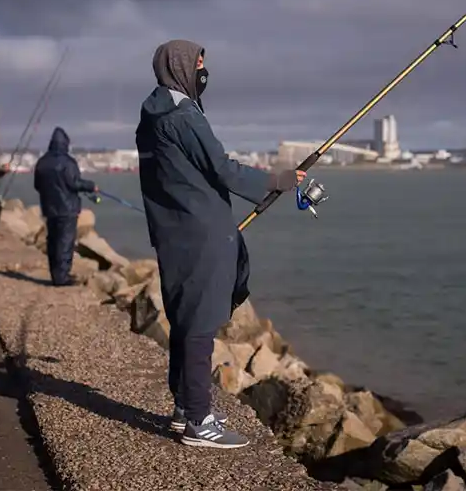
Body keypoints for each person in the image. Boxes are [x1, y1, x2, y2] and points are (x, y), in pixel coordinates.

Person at [136, 39, 305, 449]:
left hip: (174, 232)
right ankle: (198, 420)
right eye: (198, 63)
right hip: (201, 235)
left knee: (185, 320)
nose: (203, 71)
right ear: (180, 67)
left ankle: (183, 410)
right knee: (200, 326)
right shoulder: (183, 115)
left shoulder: (152, 113)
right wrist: (278, 180)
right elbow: (223, 169)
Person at [33, 127, 98, 287]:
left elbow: (37, 185)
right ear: (65, 144)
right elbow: (74, 183)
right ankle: (62, 278)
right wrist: (91, 186)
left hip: (49, 208)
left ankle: (56, 274)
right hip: (67, 209)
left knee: (53, 240)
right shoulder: (68, 163)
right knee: (65, 241)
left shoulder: (42, 162)